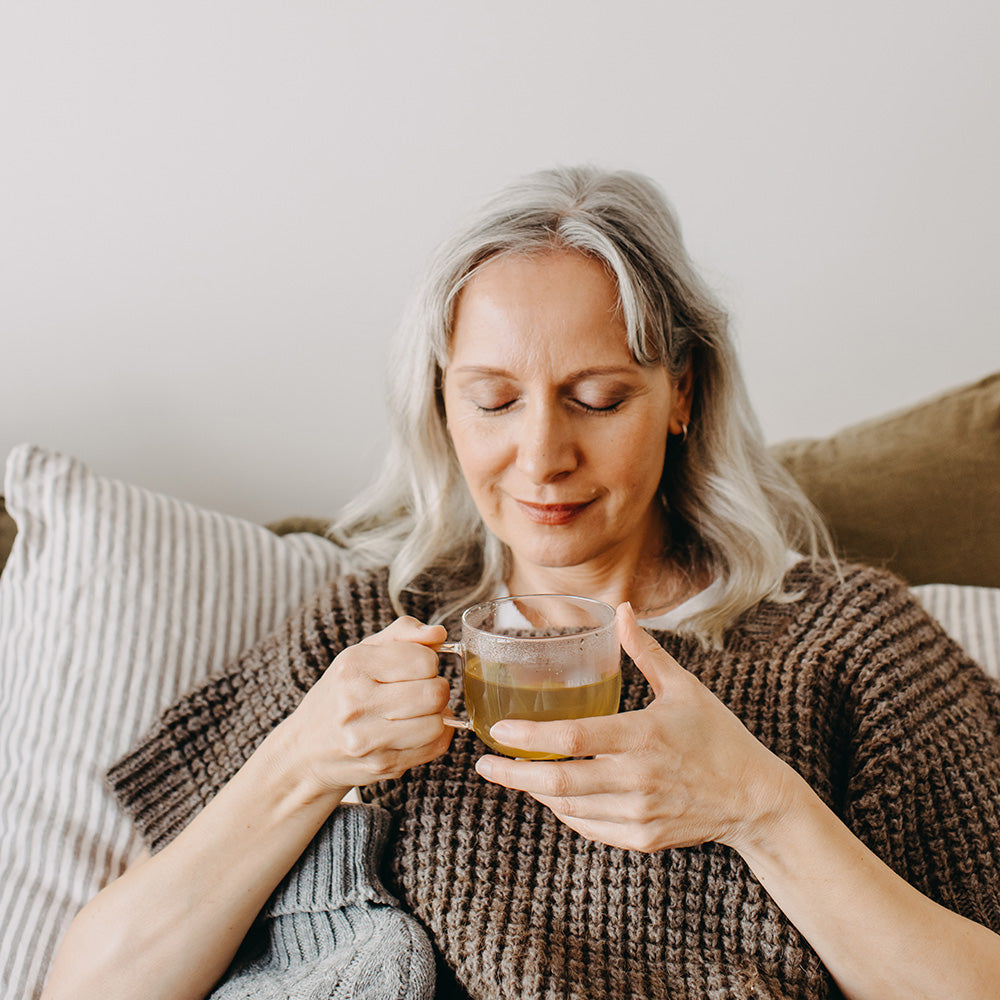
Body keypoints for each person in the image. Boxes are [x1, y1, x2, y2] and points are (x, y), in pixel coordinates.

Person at [42, 166, 1000, 1000]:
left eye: (597, 398)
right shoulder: (369, 628)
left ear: (683, 395)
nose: (543, 457)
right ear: (441, 406)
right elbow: (90, 986)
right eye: (494, 400)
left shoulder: (848, 642)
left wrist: (760, 805)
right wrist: (301, 763)